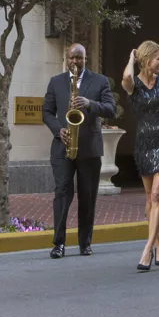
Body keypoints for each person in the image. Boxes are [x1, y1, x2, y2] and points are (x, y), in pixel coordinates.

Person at [42, 43, 116, 259]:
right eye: (72, 58)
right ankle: (59, 244)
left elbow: (111, 108)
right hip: (62, 147)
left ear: (86, 58)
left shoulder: (100, 81)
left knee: (88, 196)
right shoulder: (56, 82)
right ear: (66, 58)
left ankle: (85, 243)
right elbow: (46, 112)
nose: (75, 62)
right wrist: (59, 130)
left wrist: (90, 103)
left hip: (90, 148)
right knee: (62, 193)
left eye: (79, 58)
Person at [121, 40, 159, 272]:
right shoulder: (134, 85)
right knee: (149, 198)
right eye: (158, 59)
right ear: (146, 60)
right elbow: (126, 78)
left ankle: (147, 249)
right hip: (144, 143)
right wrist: (131, 58)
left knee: (157, 194)